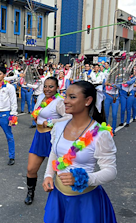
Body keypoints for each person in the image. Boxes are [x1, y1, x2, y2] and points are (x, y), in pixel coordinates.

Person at [42, 81, 117, 222]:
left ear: (88, 101)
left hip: (85, 203)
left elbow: (111, 171)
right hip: (58, 198)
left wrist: (84, 179)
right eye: (65, 96)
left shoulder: (101, 134)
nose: (65, 101)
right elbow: (54, 153)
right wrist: (48, 175)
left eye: (72, 97)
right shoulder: (59, 126)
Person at [24, 77, 71, 205]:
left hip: (52, 137)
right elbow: (37, 112)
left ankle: (60, 199)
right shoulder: (40, 98)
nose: (47, 89)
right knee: (31, 169)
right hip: (39, 136)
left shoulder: (60, 102)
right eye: (45, 86)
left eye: (51, 87)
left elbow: (69, 117)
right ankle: (30, 192)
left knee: (58, 171)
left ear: (57, 88)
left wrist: (52, 122)